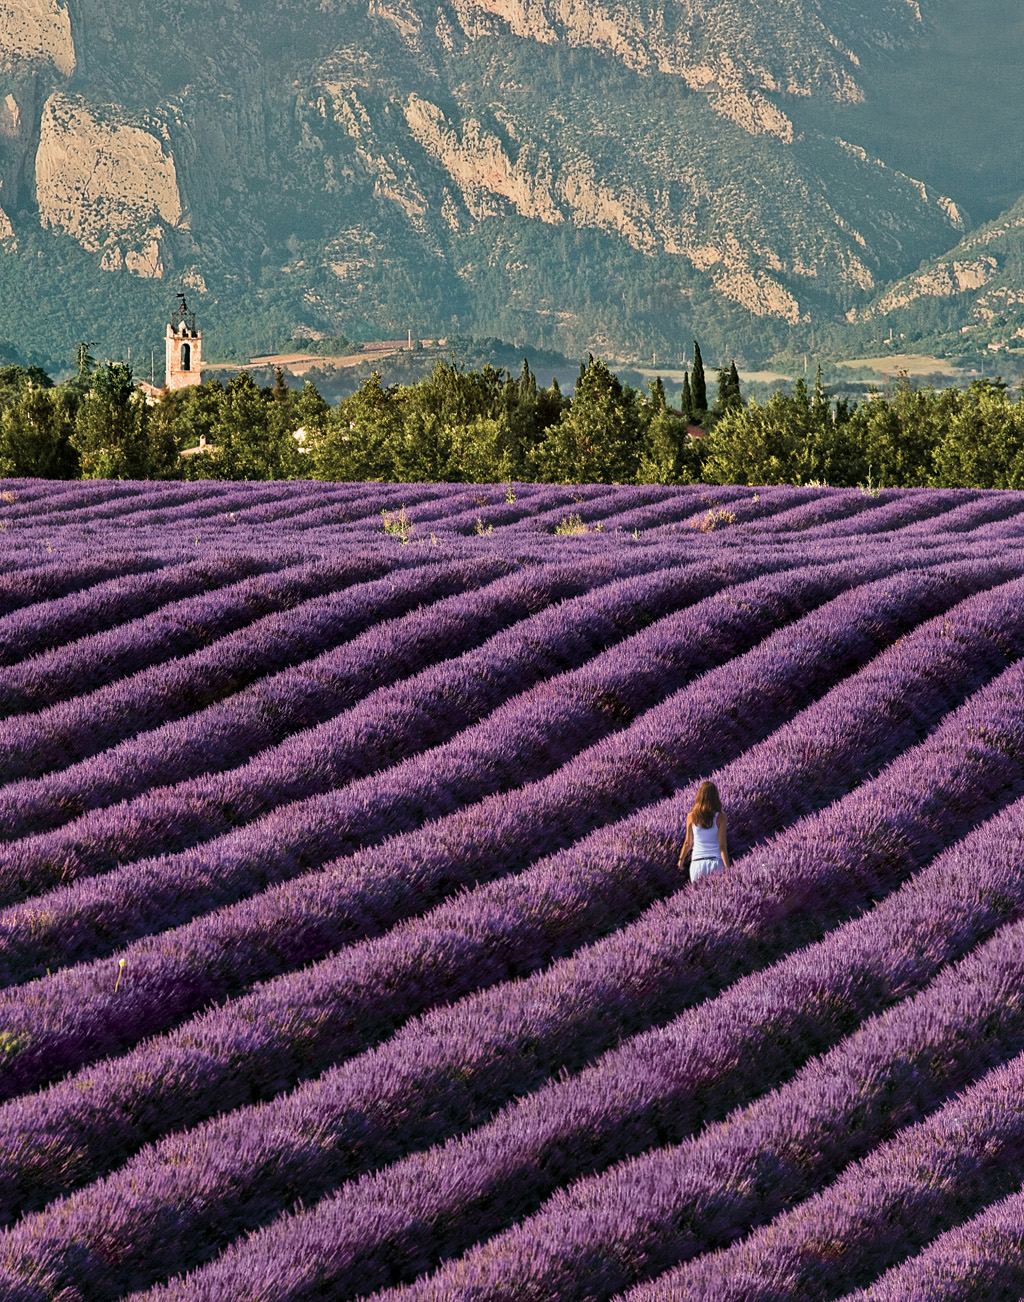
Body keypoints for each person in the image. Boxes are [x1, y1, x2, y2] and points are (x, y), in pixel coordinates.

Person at [678, 780, 730, 883]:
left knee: (700, 897)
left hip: (697, 865)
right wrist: (728, 868)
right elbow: (722, 846)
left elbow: (688, 843)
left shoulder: (691, 816)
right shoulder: (721, 818)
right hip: (716, 863)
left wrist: (681, 859)